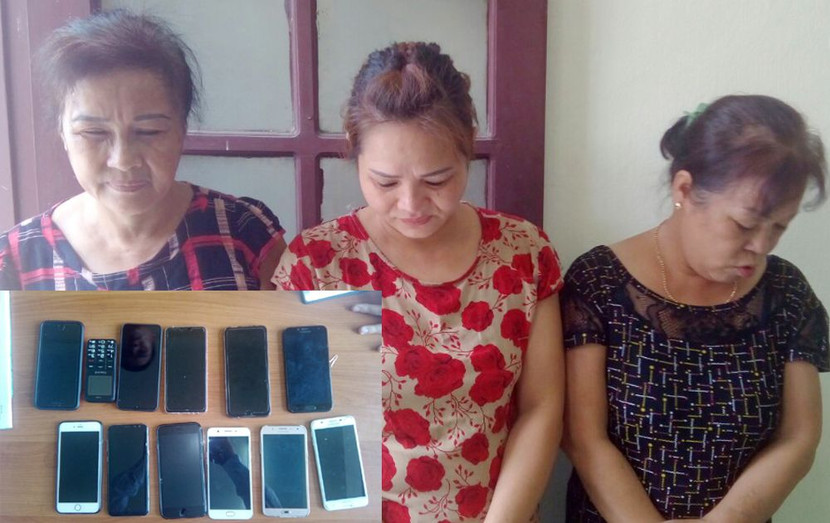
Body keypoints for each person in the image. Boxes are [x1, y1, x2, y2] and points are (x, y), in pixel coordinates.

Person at [274, 42, 565, 522]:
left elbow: (541, 406)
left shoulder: (522, 252)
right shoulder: (319, 264)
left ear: (467, 147)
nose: (411, 205)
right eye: (385, 183)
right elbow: (296, 422)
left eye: (437, 180)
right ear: (354, 153)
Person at [562, 95, 828, 522]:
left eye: (779, 226)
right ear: (684, 190)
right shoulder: (600, 280)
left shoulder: (786, 292)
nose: (761, 245)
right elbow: (582, 437)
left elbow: (798, 438)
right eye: (744, 224)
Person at [0, 10, 285, 290]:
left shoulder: (245, 232)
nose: (123, 160)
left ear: (182, 129)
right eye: (94, 133)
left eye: (149, 131)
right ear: (62, 132)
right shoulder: (16, 260)